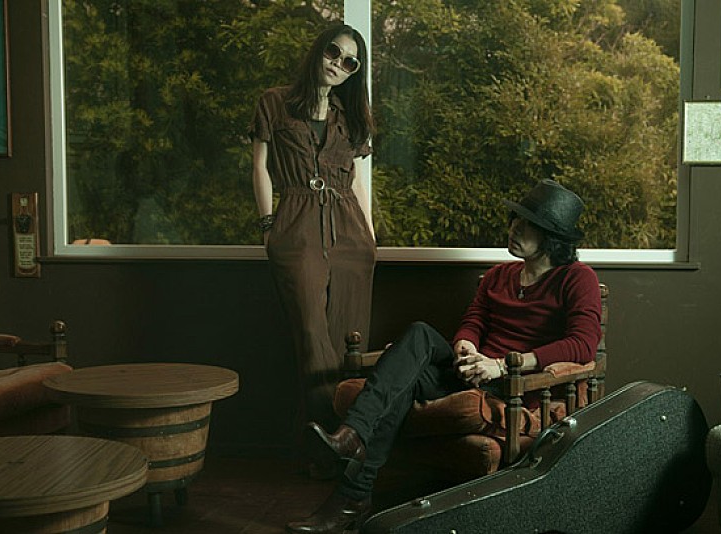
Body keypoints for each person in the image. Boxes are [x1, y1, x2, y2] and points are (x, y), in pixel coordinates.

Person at [286, 179, 603, 533]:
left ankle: (351, 496)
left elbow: (583, 344)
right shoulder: (500, 275)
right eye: (515, 219)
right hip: (468, 372)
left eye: (527, 224)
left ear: (552, 238)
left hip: (509, 385)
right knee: (419, 335)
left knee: (401, 383)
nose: (514, 228)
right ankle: (352, 437)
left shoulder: (578, 279)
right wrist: (465, 345)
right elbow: (474, 321)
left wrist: (500, 366)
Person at [248, 25, 376, 439]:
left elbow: (358, 181)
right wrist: (268, 225)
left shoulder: (351, 117)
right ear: (319, 50)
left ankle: (327, 444)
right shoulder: (274, 102)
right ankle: (336, 435)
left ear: (354, 72)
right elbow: (260, 168)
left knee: (348, 336)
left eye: (349, 62)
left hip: (349, 228)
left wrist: (370, 235)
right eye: (333, 52)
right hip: (296, 220)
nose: (338, 64)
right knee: (310, 335)